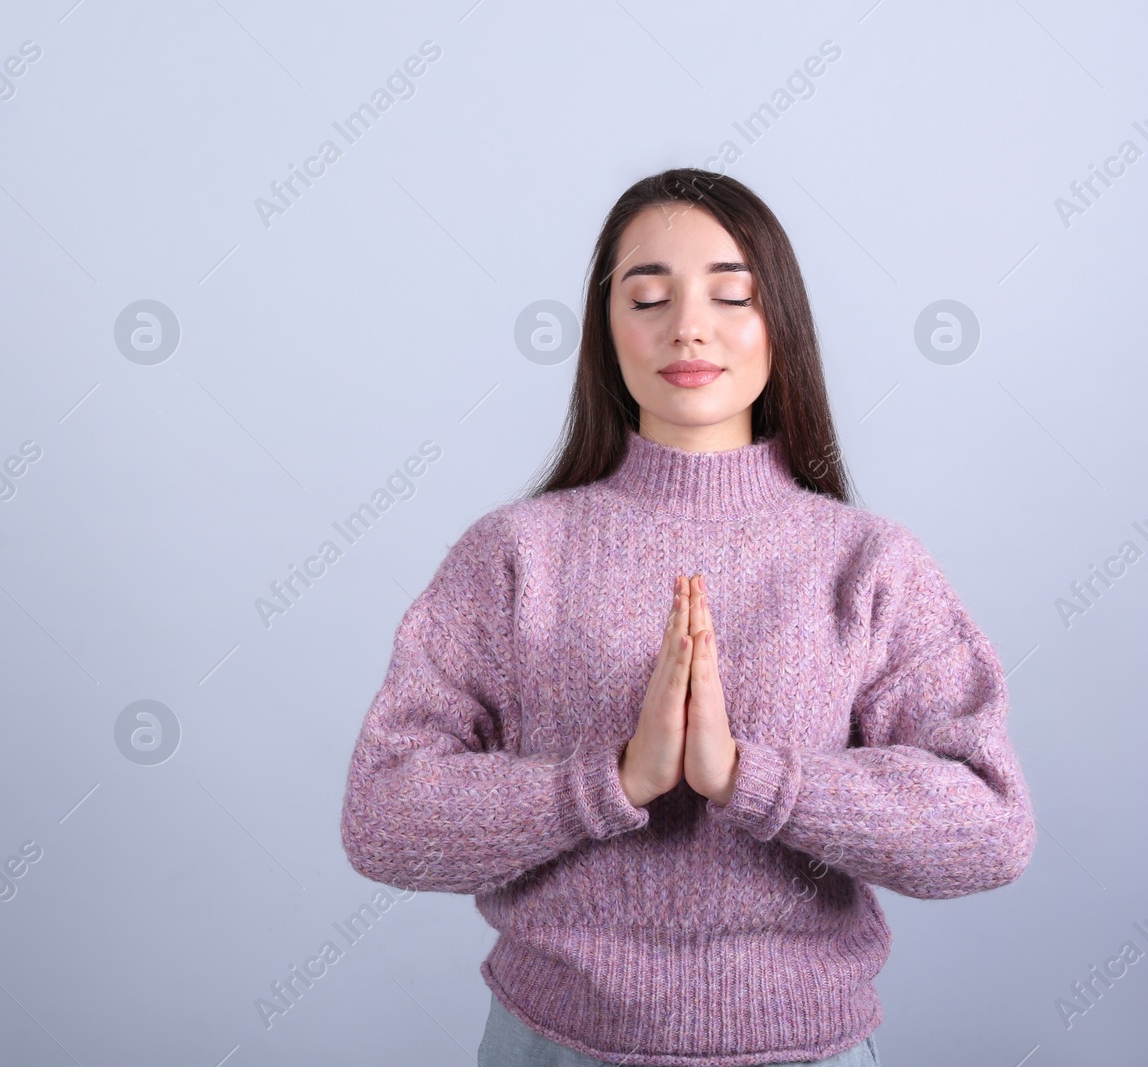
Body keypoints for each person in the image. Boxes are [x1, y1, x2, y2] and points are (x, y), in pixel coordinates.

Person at [337, 168, 1037, 1066]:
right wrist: (609, 784)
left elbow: (990, 827)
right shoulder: (515, 553)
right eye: (649, 296)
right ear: (606, 335)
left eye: (731, 293)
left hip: (804, 1051)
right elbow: (382, 816)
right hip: (552, 1044)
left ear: (779, 321)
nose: (688, 326)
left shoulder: (868, 562)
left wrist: (755, 778)